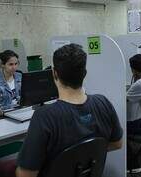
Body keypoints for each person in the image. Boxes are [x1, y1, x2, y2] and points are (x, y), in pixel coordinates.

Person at [13, 44, 123, 177]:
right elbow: (117, 143)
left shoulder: (44, 117)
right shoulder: (103, 102)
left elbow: (25, 175)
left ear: (54, 73)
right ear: (84, 73)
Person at [0, 50, 22, 116]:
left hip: (20, 112)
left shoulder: (20, 77)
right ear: (2, 65)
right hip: (3, 115)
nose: (14, 67)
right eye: (10, 64)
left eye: (16, 64)